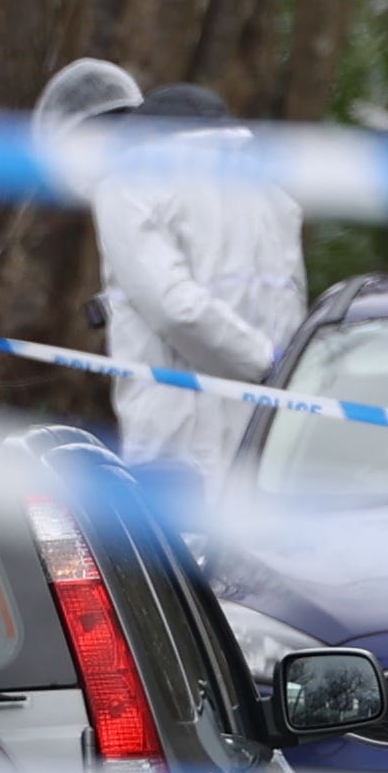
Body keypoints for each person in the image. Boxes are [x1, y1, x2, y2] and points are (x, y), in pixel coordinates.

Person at [90, 82, 306, 486]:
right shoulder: (271, 193)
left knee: (178, 547)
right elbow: (289, 302)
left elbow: (174, 307)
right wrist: (286, 372)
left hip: (180, 435)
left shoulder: (129, 185)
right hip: (269, 431)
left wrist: (265, 365)